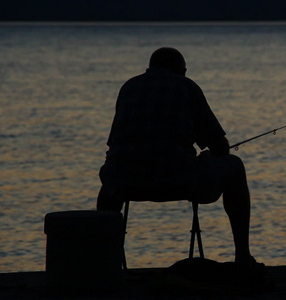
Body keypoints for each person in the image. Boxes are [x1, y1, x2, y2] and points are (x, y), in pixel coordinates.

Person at [97, 47, 261, 269]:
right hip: (176, 181)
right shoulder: (187, 87)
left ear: (149, 68)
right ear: (182, 71)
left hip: (125, 183)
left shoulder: (129, 87)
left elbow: (115, 142)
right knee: (235, 166)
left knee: (109, 184)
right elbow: (220, 147)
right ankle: (242, 257)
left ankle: (104, 261)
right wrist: (208, 156)